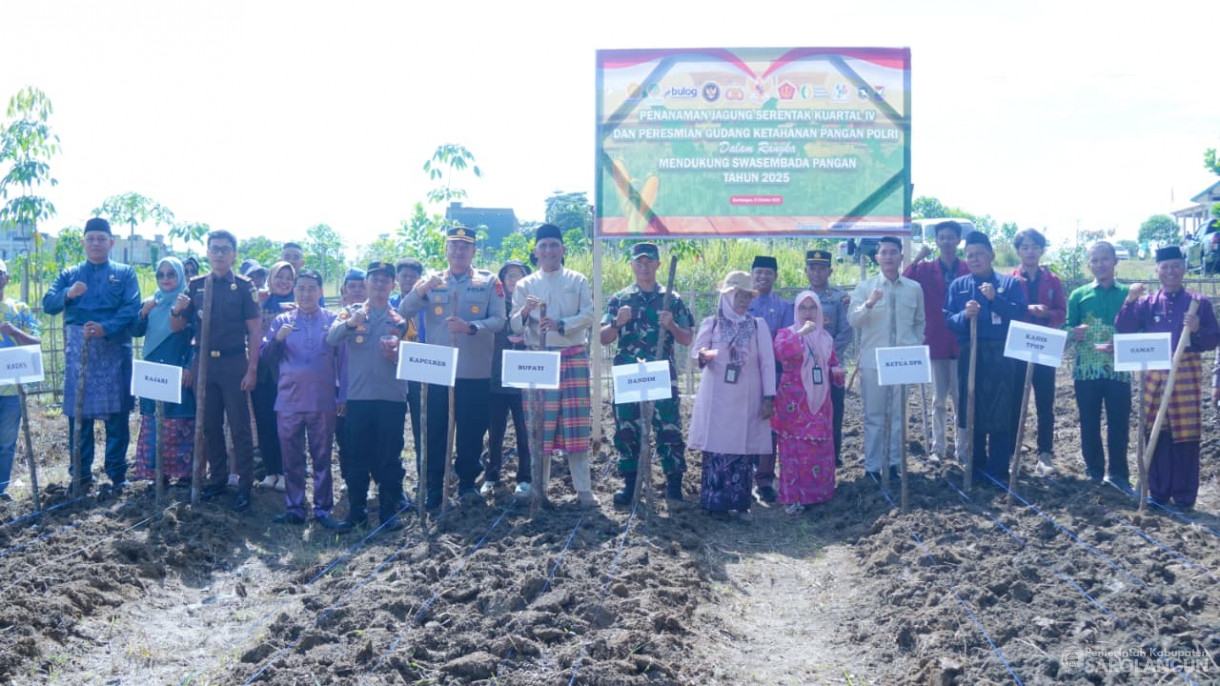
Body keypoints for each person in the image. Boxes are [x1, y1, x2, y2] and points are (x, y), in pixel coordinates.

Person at [400, 224, 506, 509]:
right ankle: (436, 486)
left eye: (465, 247)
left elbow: (499, 320)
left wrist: (471, 326)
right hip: (437, 372)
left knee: (472, 431)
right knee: (435, 431)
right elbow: (404, 311)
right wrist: (421, 289)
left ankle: (467, 485)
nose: (459, 251)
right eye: (454, 246)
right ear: (446, 249)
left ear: (473, 251)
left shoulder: (488, 281)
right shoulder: (433, 280)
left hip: (473, 372)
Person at [43, 217, 141, 493]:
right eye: (91, 239)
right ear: (83, 243)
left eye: (101, 238)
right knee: (80, 416)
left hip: (113, 348)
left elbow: (131, 308)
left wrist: (105, 328)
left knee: (118, 415)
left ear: (111, 242)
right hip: (80, 351)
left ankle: (117, 475)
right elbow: (48, 303)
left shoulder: (125, 273)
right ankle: (80, 474)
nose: (96, 243)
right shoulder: (70, 273)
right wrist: (67, 294)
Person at [1119, 246, 1219, 511]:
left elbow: (1213, 339)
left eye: (1176, 265)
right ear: (1157, 270)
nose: (1170, 271)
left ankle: (1184, 497)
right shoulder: (1147, 302)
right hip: (1155, 372)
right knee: (1156, 430)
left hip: (1185, 371)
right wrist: (1129, 301)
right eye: (1165, 266)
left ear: (1183, 268)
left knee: (1186, 434)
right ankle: (1159, 492)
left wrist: (1197, 330)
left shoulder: (1199, 302)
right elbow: (1124, 328)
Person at [173, 229, 262, 512]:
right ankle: (219, 479)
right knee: (209, 425)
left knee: (239, 426)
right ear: (208, 253)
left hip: (234, 362)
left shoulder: (245, 286)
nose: (220, 254)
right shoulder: (197, 285)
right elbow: (178, 326)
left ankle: (245, 485)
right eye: (215, 249)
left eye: (225, 249)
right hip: (204, 363)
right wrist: (177, 310)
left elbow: (255, 330)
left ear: (234, 254)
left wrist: (252, 369)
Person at [510, 224, 598, 508]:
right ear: (536, 252)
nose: (548, 251)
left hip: (572, 356)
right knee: (539, 426)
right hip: (538, 359)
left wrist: (561, 324)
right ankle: (540, 488)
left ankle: (583, 491)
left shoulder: (578, 280)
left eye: (553, 245)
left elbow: (589, 314)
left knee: (576, 424)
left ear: (563, 250)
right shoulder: (525, 285)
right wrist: (525, 311)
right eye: (543, 246)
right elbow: (512, 324)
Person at [601, 243, 695, 506]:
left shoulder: (671, 299)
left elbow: (687, 338)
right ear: (631, 264)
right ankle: (630, 485)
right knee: (627, 428)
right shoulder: (620, 299)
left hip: (660, 372)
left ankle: (674, 486)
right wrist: (617, 323)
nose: (644, 266)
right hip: (629, 372)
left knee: (668, 427)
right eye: (639, 261)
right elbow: (603, 339)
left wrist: (671, 324)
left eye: (649, 262)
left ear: (658, 265)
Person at [263, 269, 349, 529]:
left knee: (322, 457)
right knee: (292, 458)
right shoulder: (282, 321)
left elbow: (343, 362)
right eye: (301, 288)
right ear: (295, 291)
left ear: (321, 291)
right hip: (289, 400)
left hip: (323, 401)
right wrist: (277, 340)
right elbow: (265, 355)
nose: (306, 293)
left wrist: (342, 396)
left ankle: (323, 510)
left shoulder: (334, 321)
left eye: (311, 288)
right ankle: (295, 507)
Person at [327, 261, 410, 530]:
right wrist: (351, 323)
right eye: (374, 279)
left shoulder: (400, 319)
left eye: (385, 280)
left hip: (392, 398)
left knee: (389, 456)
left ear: (392, 286)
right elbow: (331, 338)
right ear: (366, 284)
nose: (379, 284)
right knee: (356, 455)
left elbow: (415, 355)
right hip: (359, 397)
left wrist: (399, 356)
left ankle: (387, 511)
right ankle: (357, 512)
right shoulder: (351, 313)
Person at [689, 271, 776, 521]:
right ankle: (715, 503)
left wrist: (769, 397)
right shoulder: (712, 323)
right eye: (738, 295)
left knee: (743, 449)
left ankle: (740, 502)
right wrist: (703, 356)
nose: (744, 300)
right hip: (717, 399)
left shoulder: (758, 325)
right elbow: (696, 354)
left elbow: (767, 364)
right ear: (726, 296)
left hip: (746, 399)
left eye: (747, 296)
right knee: (717, 448)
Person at [945, 232, 1027, 486]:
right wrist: (964, 316)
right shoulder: (958, 286)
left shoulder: (1010, 284)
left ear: (991, 255)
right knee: (972, 408)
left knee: (1001, 410)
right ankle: (976, 464)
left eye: (979, 254)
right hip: (971, 353)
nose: (974, 259)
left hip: (1001, 354)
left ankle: (999, 468)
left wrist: (995, 300)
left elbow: (1019, 315)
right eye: (969, 255)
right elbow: (949, 318)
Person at [848, 236, 926, 480]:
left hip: (903, 361)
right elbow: (854, 320)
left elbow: (920, 321)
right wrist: (869, 304)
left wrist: (913, 344)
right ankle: (872, 466)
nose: (889, 256)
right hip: (874, 363)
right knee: (874, 416)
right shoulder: (864, 288)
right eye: (885, 252)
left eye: (894, 252)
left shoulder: (914, 288)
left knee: (898, 415)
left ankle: (893, 463)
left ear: (902, 257)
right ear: (877, 257)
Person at [1066, 242, 1132, 492]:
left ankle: (1119, 474)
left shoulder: (1128, 294)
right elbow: (1066, 327)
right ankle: (1094, 470)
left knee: (1119, 423)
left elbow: (1140, 328)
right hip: (1086, 371)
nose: (1100, 264)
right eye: (1095, 260)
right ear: (1089, 264)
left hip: (1119, 369)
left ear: (1115, 261)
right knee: (1089, 421)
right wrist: (1074, 332)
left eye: (1105, 259)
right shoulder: (1079, 295)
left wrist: (1123, 343)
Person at [904, 220, 970, 462]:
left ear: (958, 240)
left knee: (962, 400)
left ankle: (962, 449)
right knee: (938, 401)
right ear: (937, 241)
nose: (946, 241)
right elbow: (905, 278)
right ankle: (938, 448)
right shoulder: (925, 269)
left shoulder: (967, 268)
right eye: (942, 237)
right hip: (937, 341)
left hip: (962, 342)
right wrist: (918, 257)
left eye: (951, 237)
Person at [772, 291, 839, 513]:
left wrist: (837, 374)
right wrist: (800, 334)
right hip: (793, 404)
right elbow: (780, 353)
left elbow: (832, 364)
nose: (808, 312)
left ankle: (818, 495)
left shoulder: (826, 338)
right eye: (803, 308)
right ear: (796, 311)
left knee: (818, 446)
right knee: (793, 450)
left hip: (819, 402)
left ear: (819, 311)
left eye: (812, 308)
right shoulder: (786, 333)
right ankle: (794, 497)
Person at [129, 257, 194, 485]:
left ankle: (184, 476)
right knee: (153, 419)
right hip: (153, 367)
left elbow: (196, 338)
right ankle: (156, 476)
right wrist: (143, 313)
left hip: (177, 366)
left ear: (180, 276)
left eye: (171, 274)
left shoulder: (187, 302)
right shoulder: (152, 302)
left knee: (178, 420)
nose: (165, 279)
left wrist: (190, 366)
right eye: (161, 275)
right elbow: (136, 331)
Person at [1010, 228, 1066, 476]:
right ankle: (1013, 451)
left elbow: (1062, 313)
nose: (1030, 251)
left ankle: (1045, 453)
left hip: (1045, 346)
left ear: (1041, 250)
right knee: (1015, 401)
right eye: (1024, 247)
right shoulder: (1010, 279)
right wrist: (1026, 309)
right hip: (1019, 345)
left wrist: (1047, 314)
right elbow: (1006, 310)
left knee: (1045, 401)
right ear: (1018, 251)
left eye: (1034, 247)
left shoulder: (1053, 280)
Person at [486, 259, 532, 498]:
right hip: (496, 377)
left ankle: (525, 478)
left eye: (519, 275)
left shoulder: (534, 304)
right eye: (510, 275)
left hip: (525, 378)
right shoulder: (494, 305)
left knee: (525, 431)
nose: (514, 280)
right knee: (495, 431)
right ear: (502, 280)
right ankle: (492, 476)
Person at [749, 254, 792, 502]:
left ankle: (764, 479)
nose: (763, 277)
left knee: (769, 426)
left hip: (773, 373)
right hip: (745, 372)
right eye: (758, 272)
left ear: (775, 276)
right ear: (751, 274)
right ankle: (744, 474)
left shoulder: (785, 307)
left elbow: (783, 339)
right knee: (745, 422)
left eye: (768, 272)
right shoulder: (742, 301)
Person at [804, 249, 852, 470]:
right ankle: (810, 454)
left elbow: (846, 332)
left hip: (832, 367)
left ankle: (833, 455)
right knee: (808, 411)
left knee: (833, 410)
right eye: (812, 268)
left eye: (821, 269)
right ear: (806, 271)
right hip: (805, 367)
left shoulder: (839, 298)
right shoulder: (802, 299)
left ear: (830, 271)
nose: (816, 273)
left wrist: (826, 354)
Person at [250, 260, 296, 491]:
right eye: (280, 276)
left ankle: (288, 472)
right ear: (271, 279)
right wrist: (257, 304)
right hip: (261, 372)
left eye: (289, 278)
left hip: (287, 374)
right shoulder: (260, 302)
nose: (284, 282)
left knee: (287, 425)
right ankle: (271, 471)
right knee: (265, 422)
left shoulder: (298, 306)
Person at [0, 259, 40, 500]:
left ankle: (0, 490)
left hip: (12, 391)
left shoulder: (20, 309)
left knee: (5, 443)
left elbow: (37, 342)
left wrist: (14, 332)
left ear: (7, 278)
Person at [390, 258, 424, 471]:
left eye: (413, 276)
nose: (409, 280)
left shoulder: (427, 301)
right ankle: (396, 474)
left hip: (420, 369)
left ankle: (424, 472)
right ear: (397, 278)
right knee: (393, 427)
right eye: (405, 276)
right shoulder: (389, 303)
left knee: (422, 425)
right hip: (394, 370)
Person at [334, 268, 366, 486]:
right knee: (344, 436)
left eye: (361, 286)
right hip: (341, 390)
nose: (356, 291)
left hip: (370, 387)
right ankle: (349, 478)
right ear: (343, 290)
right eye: (352, 286)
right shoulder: (337, 319)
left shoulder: (381, 314)